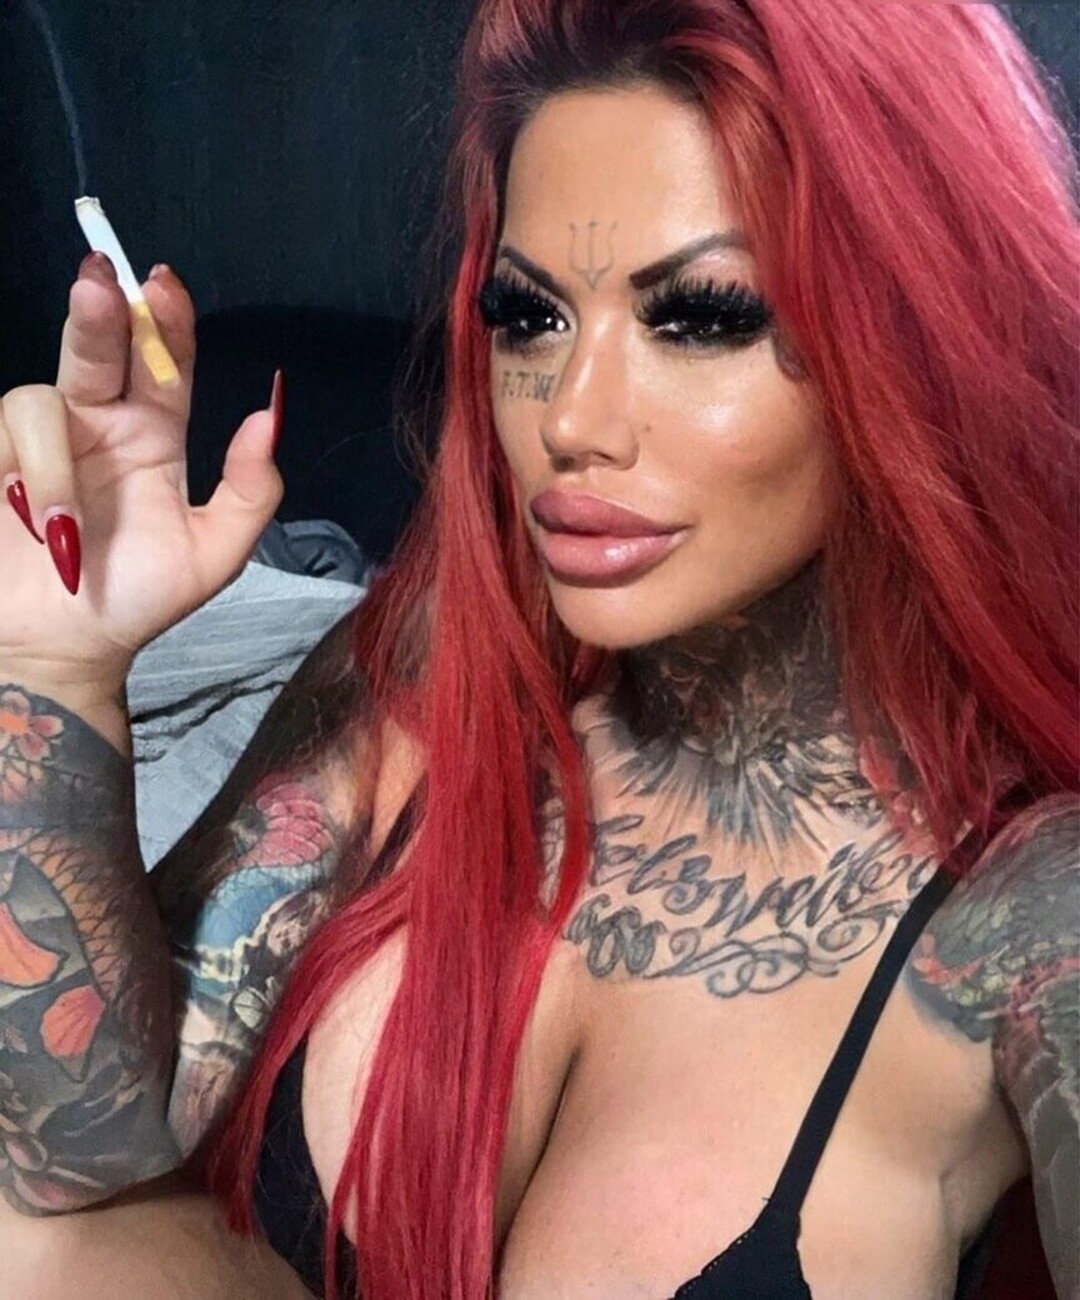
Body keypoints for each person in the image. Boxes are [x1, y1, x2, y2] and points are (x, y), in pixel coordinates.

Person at [0, 1, 1076, 1297]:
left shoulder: (1031, 916)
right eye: (529, 316)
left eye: (700, 316)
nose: (570, 418)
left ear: (921, 334)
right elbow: (80, 1158)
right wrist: (54, 667)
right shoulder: (420, 678)